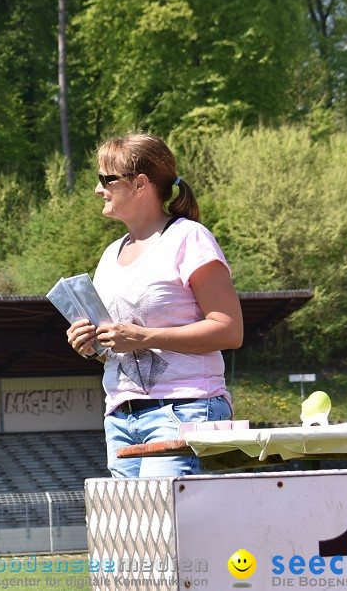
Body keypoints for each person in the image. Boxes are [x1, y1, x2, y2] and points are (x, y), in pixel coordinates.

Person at [65, 134, 243, 477]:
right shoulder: (110, 254)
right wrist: (90, 344)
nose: (98, 189)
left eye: (106, 179)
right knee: (133, 531)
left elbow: (230, 330)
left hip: (186, 410)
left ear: (140, 184)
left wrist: (143, 336)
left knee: (163, 528)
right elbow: (117, 348)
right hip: (120, 416)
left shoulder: (189, 238)